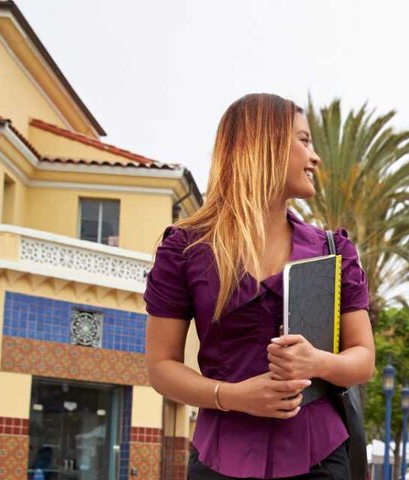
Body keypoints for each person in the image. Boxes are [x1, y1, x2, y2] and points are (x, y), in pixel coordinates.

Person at [144, 93, 376, 479]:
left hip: (318, 458)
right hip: (219, 459)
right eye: (303, 141)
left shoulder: (333, 250)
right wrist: (232, 396)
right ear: (264, 146)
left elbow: (363, 358)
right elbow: (160, 366)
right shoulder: (185, 248)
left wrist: (318, 362)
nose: (314, 157)